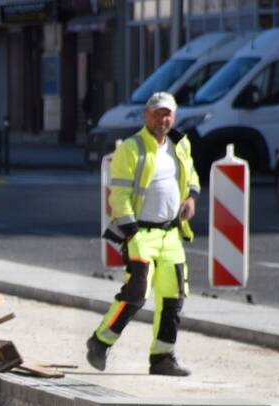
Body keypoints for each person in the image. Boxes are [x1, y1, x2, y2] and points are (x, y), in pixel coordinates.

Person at [86, 91, 200, 377]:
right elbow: (120, 195)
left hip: (171, 233)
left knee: (174, 296)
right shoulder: (131, 149)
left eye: (167, 114)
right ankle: (101, 341)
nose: (163, 119)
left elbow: (192, 177)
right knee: (137, 292)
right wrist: (131, 233)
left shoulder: (179, 144)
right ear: (146, 115)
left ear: (174, 117)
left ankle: (162, 358)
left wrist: (191, 198)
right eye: (157, 113)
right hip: (140, 234)